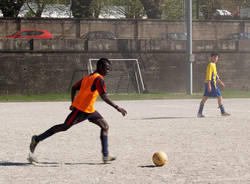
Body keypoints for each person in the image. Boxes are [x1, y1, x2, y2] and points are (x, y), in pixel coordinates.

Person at [29, 58, 127, 164]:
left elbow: (74, 88)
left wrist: (72, 103)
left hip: (89, 110)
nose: (108, 71)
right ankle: (37, 139)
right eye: (107, 68)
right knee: (64, 126)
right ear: (100, 67)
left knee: (105, 126)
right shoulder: (99, 79)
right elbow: (104, 97)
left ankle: (105, 155)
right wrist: (118, 108)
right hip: (81, 110)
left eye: (109, 69)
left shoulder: (88, 77)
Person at [197, 52, 230, 118]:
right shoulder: (211, 65)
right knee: (219, 96)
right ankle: (223, 112)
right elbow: (209, 76)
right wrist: (209, 85)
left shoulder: (214, 65)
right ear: (211, 57)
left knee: (205, 98)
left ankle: (199, 113)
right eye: (214, 57)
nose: (216, 58)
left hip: (210, 83)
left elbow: (216, 76)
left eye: (216, 57)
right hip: (211, 84)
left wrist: (221, 83)